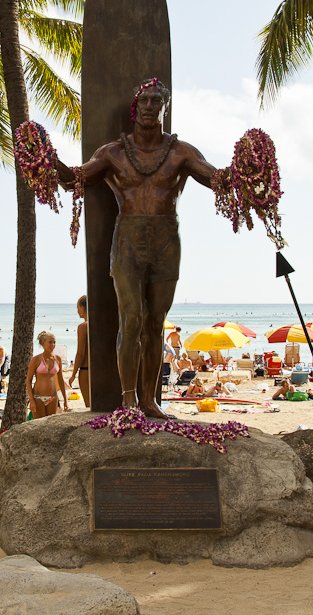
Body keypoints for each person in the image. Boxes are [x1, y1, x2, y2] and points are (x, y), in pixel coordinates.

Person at [57, 78, 218, 418]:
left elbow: (217, 179)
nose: (149, 106)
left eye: (155, 100)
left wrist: (249, 167)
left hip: (166, 241)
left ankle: (149, 400)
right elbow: (74, 179)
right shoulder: (113, 153)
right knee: (130, 321)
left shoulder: (181, 152)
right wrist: (46, 157)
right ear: (135, 106)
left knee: (156, 323)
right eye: (143, 100)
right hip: (127, 239)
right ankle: (128, 399)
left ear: (164, 107)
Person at [27, 331, 69, 419]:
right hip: (38, 398)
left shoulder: (58, 359)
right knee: (39, 425)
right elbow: (28, 380)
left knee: (50, 425)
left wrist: (65, 400)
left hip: (53, 397)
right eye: (50, 342)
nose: (53, 345)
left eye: (54, 342)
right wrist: (31, 400)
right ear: (43, 343)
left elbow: (61, 380)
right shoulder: (36, 359)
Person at [69, 295, 90, 407]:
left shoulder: (83, 327)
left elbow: (80, 353)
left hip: (86, 370)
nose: (77, 311)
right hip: (100, 370)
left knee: (89, 406)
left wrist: (73, 374)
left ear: (82, 307)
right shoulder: (100, 324)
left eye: (77, 308)